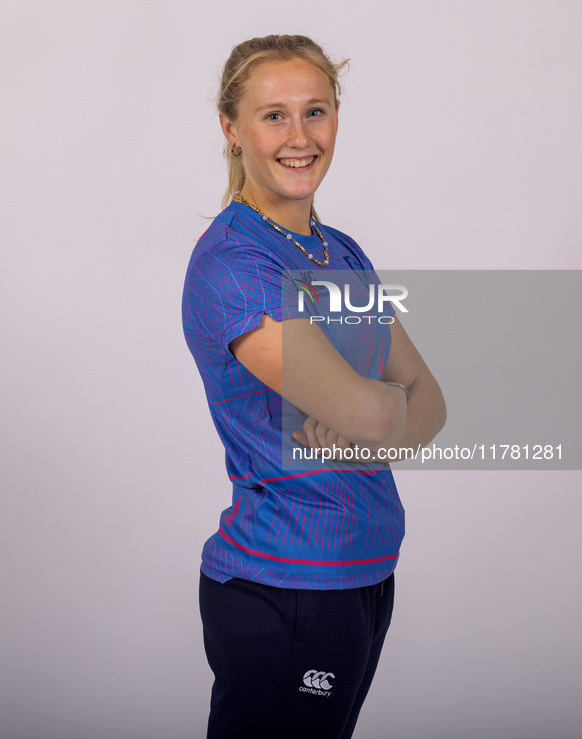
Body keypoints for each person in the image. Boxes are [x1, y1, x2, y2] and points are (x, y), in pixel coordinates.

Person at [182, 34, 446, 739]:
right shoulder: (237, 266)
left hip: (357, 578)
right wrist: (380, 411)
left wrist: (378, 413)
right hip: (286, 586)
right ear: (230, 129)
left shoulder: (340, 251)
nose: (299, 137)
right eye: (273, 116)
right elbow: (380, 404)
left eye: (315, 111)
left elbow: (433, 400)